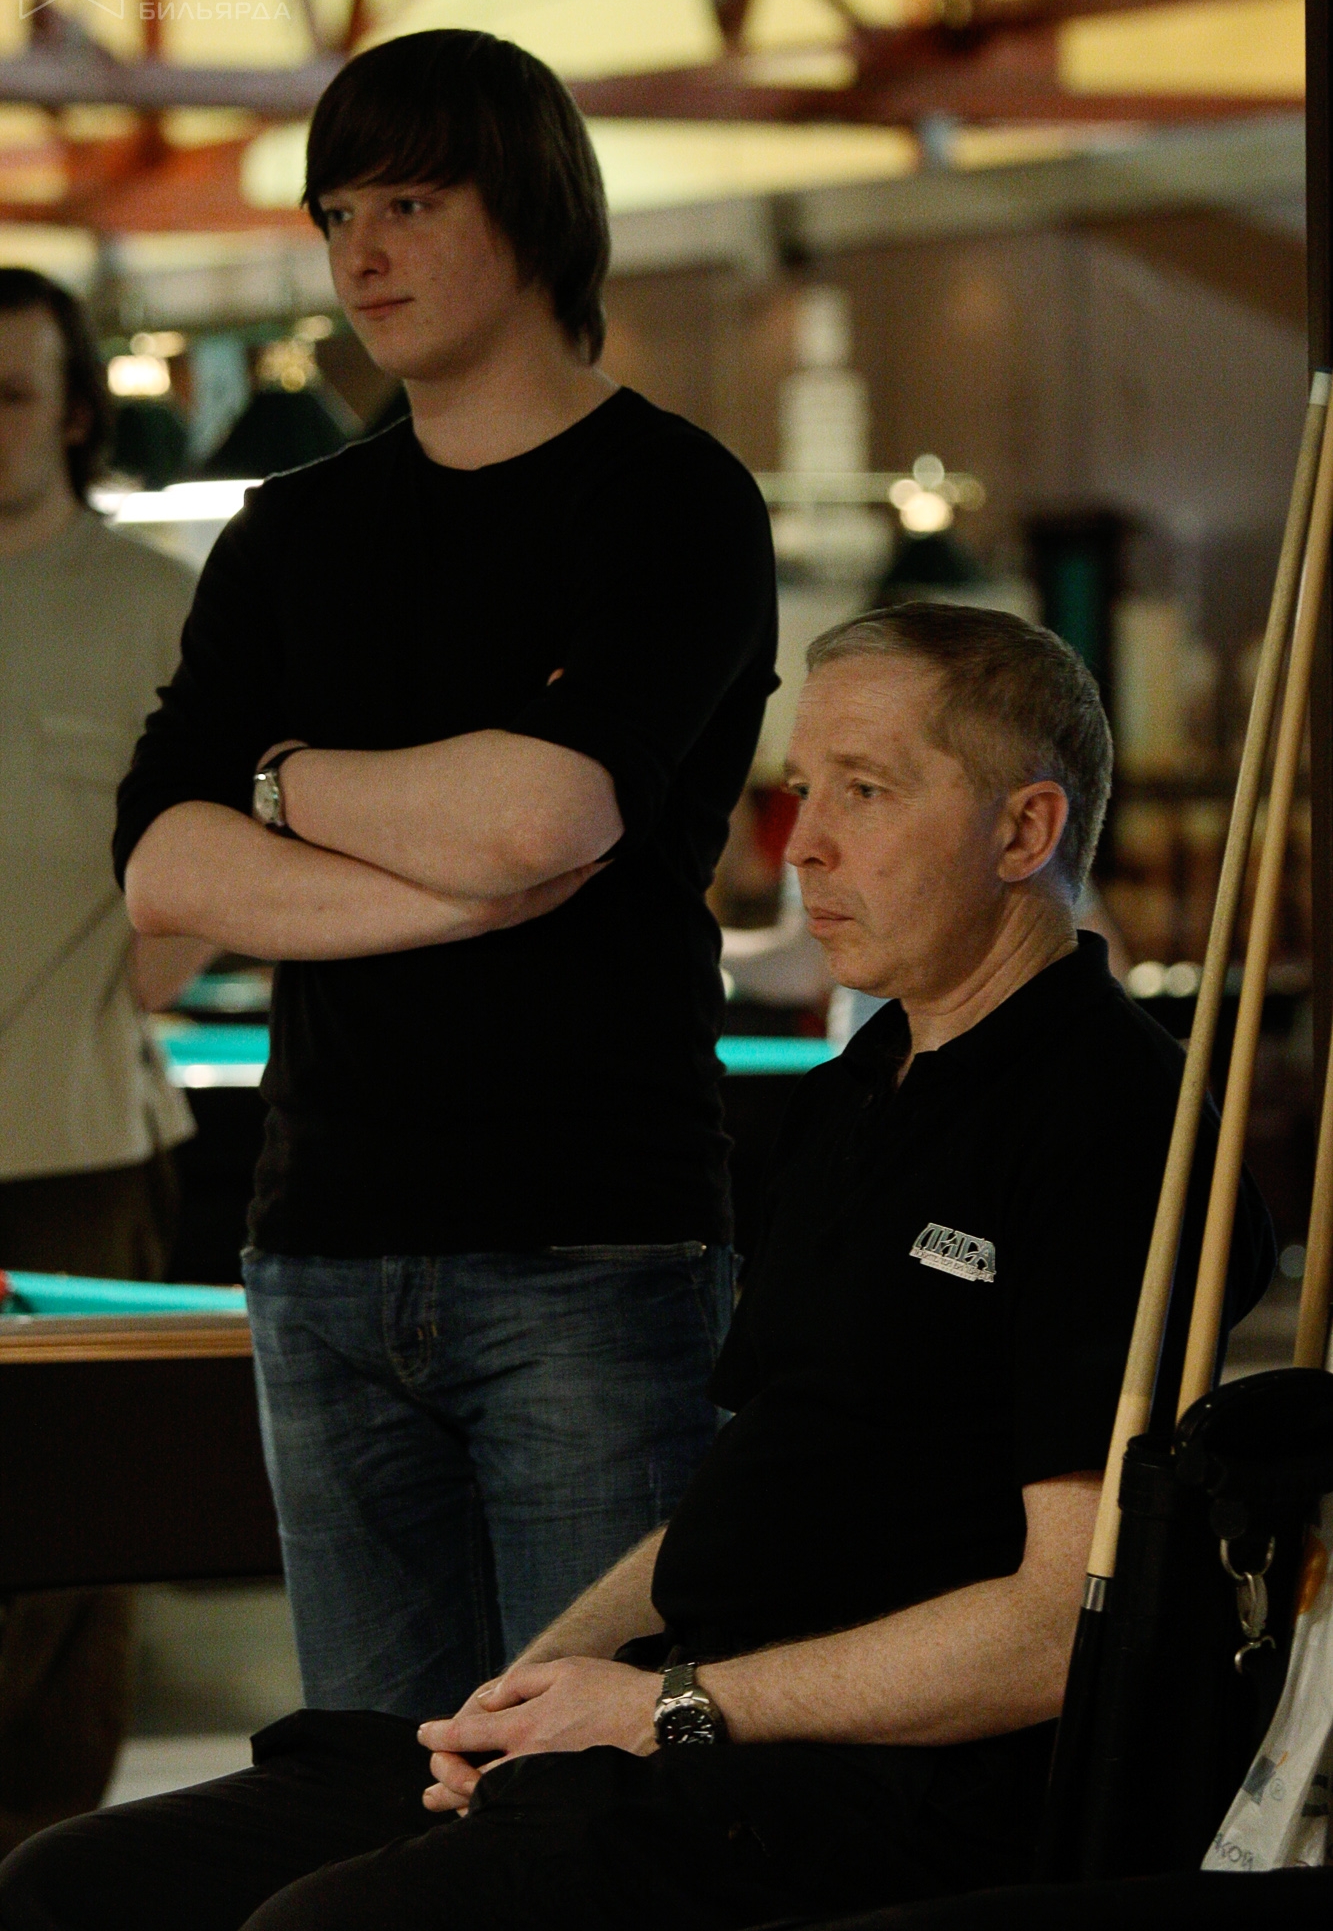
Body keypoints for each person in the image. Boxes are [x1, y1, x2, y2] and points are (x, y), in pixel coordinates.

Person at [0, 603, 1273, 1931]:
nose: (803, 844)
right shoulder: (856, 1091)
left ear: (1024, 831)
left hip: (880, 1794)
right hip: (693, 1727)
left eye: (866, 790)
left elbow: (1063, 1625)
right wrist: (525, 1692)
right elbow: (744, 1487)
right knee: (78, 1888)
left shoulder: (1118, 1123)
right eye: (801, 789)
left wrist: (668, 1709)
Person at [108, 29, 779, 1723]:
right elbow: (165, 866)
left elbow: (543, 819)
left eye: (407, 203)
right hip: (322, 1241)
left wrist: (286, 784)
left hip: (591, 1239)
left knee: (575, 1784)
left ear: (533, 206)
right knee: (361, 1783)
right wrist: (445, 875)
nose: (362, 256)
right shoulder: (289, 530)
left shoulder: (674, 498)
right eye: (337, 215)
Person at [0, 269, 209, 1847]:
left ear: (74, 412)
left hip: (73, 1153)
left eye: (9, 394)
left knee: (68, 1566)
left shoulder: (151, 603)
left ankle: (49, 1873)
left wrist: (121, 993)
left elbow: (211, 853)